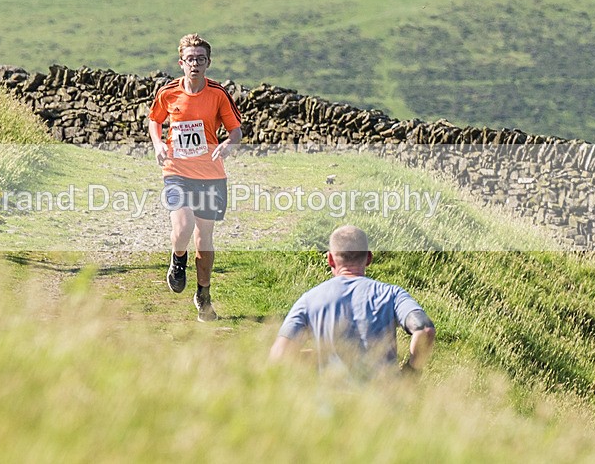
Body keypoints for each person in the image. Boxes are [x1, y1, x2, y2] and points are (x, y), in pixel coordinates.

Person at [148, 33, 243, 322]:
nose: (195, 64)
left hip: (211, 175)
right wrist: (158, 144)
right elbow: (155, 120)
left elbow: (236, 130)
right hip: (176, 171)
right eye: (190, 59)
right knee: (183, 225)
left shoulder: (218, 94)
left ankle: (203, 295)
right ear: (181, 63)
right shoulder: (168, 93)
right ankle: (178, 261)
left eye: (201, 59)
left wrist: (228, 144)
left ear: (208, 63)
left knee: (204, 238)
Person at [269, 225, 435, 380]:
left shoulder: (309, 299)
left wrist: (322, 355)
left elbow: (279, 355)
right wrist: (410, 373)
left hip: (332, 407)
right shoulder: (392, 294)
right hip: (384, 404)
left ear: (330, 259)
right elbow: (425, 329)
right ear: (368, 258)